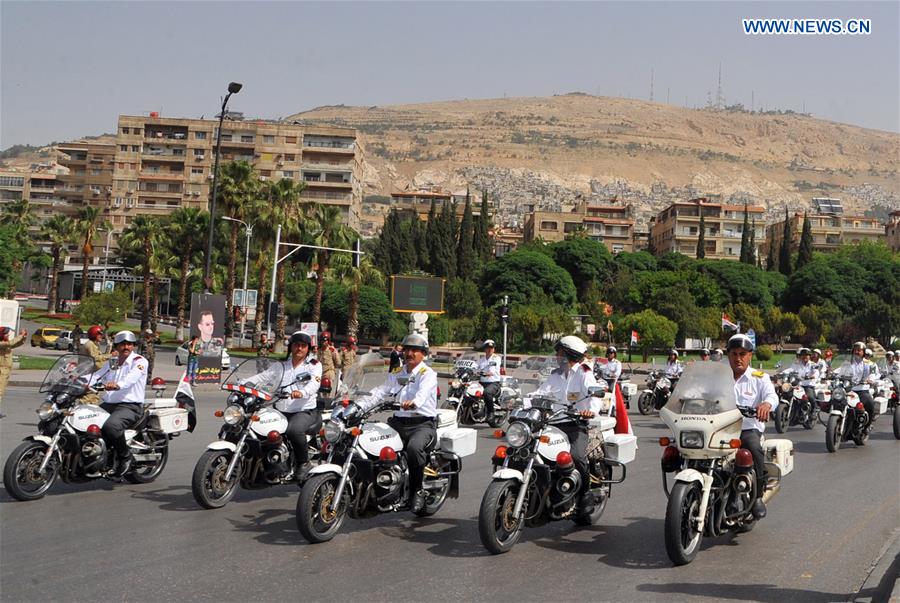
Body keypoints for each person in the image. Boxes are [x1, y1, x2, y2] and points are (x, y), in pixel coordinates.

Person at [357, 333, 437, 513]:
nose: (410, 353)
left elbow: (423, 394)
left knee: (414, 449)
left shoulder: (428, 374)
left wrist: (414, 402)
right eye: (407, 349)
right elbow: (381, 391)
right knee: (372, 440)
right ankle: (380, 486)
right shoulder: (397, 373)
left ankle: (418, 491)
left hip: (422, 424)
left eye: (415, 350)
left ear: (423, 353)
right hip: (398, 423)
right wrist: (359, 405)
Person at [528, 335, 601, 512]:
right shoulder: (555, 375)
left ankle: (585, 494)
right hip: (553, 424)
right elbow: (540, 393)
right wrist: (519, 400)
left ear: (569, 354)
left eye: (560, 352)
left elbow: (594, 396)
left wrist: (590, 411)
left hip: (576, 425)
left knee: (576, 457)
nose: (557, 355)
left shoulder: (584, 374)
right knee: (530, 450)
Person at [726, 333, 778, 518]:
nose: (738, 358)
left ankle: (757, 496)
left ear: (750, 355)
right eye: (734, 354)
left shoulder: (759, 377)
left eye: (742, 354)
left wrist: (766, 405)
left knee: (753, 448)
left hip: (747, 427)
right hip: (720, 429)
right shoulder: (720, 376)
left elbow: (772, 396)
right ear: (728, 355)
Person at [264, 331, 323, 479]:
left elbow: (314, 384)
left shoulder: (314, 366)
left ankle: (304, 463)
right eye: (297, 345)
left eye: (303, 346)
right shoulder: (282, 366)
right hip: (281, 409)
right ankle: (274, 462)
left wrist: (302, 392)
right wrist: (244, 383)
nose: (300, 348)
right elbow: (264, 377)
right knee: (264, 426)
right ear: (291, 347)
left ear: (308, 348)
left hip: (304, 410)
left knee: (294, 430)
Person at [89, 331, 147, 477]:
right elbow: (96, 376)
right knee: (86, 421)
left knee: (111, 426)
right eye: (122, 344)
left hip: (130, 406)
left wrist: (117, 385)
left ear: (133, 346)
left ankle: (125, 457)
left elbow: (131, 379)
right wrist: (77, 380)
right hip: (109, 404)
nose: (125, 347)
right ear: (117, 346)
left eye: (129, 344)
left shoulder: (139, 362)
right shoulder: (112, 362)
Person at [838, 342, 877, 431]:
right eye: (855, 350)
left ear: (863, 352)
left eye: (859, 350)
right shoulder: (848, 362)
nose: (857, 352)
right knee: (837, 400)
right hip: (849, 389)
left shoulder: (869, 364)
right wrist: (833, 374)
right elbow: (840, 370)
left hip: (862, 390)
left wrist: (870, 380)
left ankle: (867, 426)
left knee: (870, 404)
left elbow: (873, 374)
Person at [0, 327, 28, 419]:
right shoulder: (2, 344)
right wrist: (20, 335)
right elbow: (11, 343)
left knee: (1, 391)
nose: (8, 335)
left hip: (6, 371)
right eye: (6, 333)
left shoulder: (5, 343)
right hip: (1, 371)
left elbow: (16, 343)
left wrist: (23, 337)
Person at [476, 339, 503, 422]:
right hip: (482, 382)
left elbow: (492, 370)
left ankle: (491, 413)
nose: (490, 349)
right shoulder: (481, 359)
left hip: (493, 383)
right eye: (488, 347)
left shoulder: (496, 358)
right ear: (484, 349)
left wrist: (488, 373)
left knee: (487, 392)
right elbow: (475, 366)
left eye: (491, 348)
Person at [791, 348, 820, 420]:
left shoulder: (813, 365)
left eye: (807, 355)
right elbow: (790, 370)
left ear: (809, 356)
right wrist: (781, 373)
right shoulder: (796, 364)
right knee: (787, 392)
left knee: (810, 396)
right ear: (800, 356)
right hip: (798, 384)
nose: (805, 357)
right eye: (803, 355)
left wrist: (812, 376)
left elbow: (816, 372)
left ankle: (814, 409)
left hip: (808, 385)